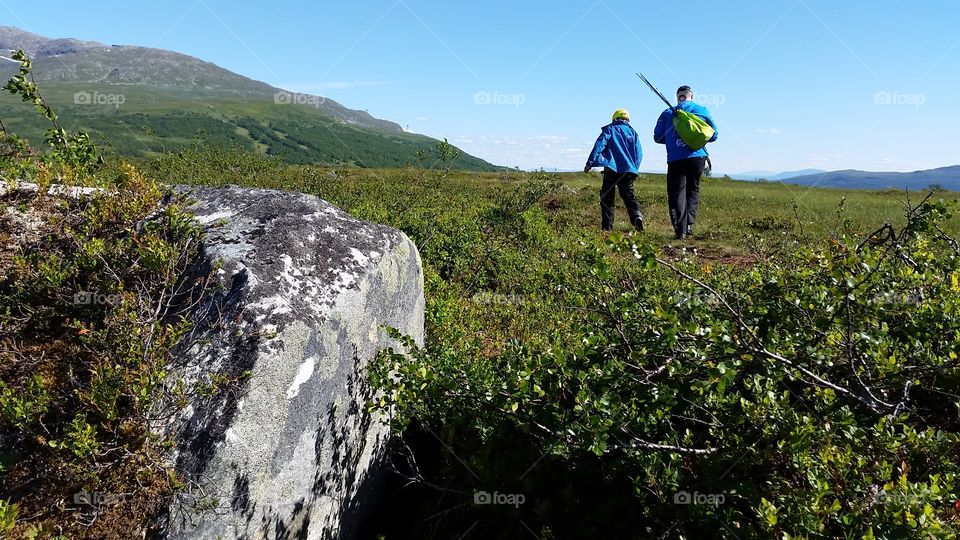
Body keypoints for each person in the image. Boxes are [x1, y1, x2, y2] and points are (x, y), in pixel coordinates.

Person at [654, 85, 718, 239]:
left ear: (678, 97)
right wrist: (693, 139)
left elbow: (657, 137)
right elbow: (714, 135)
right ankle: (689, 225)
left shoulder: (667, 112)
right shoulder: (702, 110)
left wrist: (674, 140)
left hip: (676, 157)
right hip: (697, 156)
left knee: (676, 193)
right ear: (691, 96)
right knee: (693, 190)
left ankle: (680, 230)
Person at [584, 108, 644, 232]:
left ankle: (607, 227)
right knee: (629, 196)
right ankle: (637, 216)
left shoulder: (610, 129)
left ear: (614, 118)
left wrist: (590, 163)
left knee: (607, 198)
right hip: (628, 170)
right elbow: (639, 153)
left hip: (611, 169)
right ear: (627, 119)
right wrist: (634, 168)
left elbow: (599, 145)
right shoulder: (633, 133)